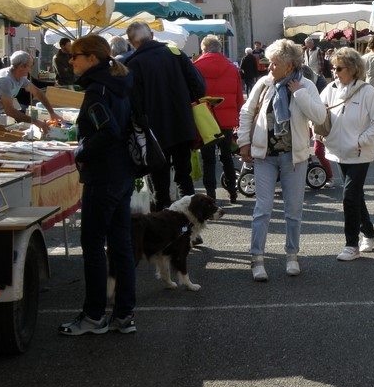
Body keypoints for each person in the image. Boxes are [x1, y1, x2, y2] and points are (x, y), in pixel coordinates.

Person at [58, 35, 136, 335]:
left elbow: (108, 131)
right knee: (120, 245)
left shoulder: (96, 91)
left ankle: (93, 316)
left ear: (92, 58)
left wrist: (79, 152)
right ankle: (124, 315)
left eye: (75, 56)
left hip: (104, 177)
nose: (70, 60)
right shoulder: (119, 83)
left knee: (92, 245)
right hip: (123, 173)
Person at [237, 38, 326, 281]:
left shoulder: (306, 85)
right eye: (270, 62)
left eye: (275, 63)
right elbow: (246, 112)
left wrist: (299, 94)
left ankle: (292, 256)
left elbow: (319, 116)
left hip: (294, 157)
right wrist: (244, 142)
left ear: (289, 65)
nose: (269, 67)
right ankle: (257, 259)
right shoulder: (264, 84)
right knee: (262, 209)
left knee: (293, 210)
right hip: (265, 156)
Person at [126, 22, 206, 212]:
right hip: (182, 124)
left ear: (131, 42)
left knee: (160, 185)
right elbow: (200, 88)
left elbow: (133, 104)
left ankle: (164, 233)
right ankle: (189, 228)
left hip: (154, 132)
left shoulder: (133, 64)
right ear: (152, 35)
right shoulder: (175, 54)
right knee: (183, 178)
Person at [320, 47, 374, 261]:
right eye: (333, 67)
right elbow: (319, 113)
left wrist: (360, 141)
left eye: (339, 68)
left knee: (349, 197)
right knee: (356, 196)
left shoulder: (367, 92)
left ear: (353, 68)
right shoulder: (330, 88)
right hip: (337, 152)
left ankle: (351, 244)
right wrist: (319, 134)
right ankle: (369, 233)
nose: (335, 71)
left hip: (359, 154)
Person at [194, 35, 243, 204]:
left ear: (204, 49)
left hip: (205, 118)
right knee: (227, 155)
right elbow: (238, 95)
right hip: (226, 119)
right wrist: (237, 117)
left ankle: (210, 195)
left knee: (208, 158)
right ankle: (232, 191)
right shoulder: (231, 67)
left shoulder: (196, 67)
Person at [0, 51, 61, 133]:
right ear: (20, 67)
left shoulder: (21, 77)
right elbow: (10, 111)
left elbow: (38, 92)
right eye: (30, 66)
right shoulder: (5, 80)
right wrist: (35, 121)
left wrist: (52, 113)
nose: (31, 69)